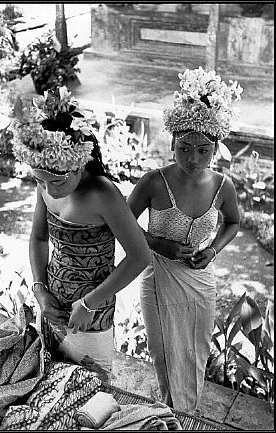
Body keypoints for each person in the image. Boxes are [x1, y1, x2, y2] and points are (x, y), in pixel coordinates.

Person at [11, 86, 151, 382]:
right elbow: (38, 239)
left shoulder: (103, 193)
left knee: (93, 392)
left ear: (78, 165)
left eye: (57, 181)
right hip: (52, 309)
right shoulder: (47, 181)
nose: (49, 189)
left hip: (91, 318)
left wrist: (90, 303)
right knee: (49, 384)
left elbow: (140, 256)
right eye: (40, 180)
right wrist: (41, 293)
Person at [128, 67, 243, 413]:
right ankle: (170, 414)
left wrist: (212, 250)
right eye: (184, 148)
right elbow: (120, 225)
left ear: (216, 149)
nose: (193, 159)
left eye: (203, 150)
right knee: (162, 352)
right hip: (158, 277)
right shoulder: (152, 182)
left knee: (196, 353)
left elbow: (234, 222)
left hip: (199, 283)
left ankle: (185, 415)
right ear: (172, 143)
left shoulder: (223, 186)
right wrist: (155, 243)